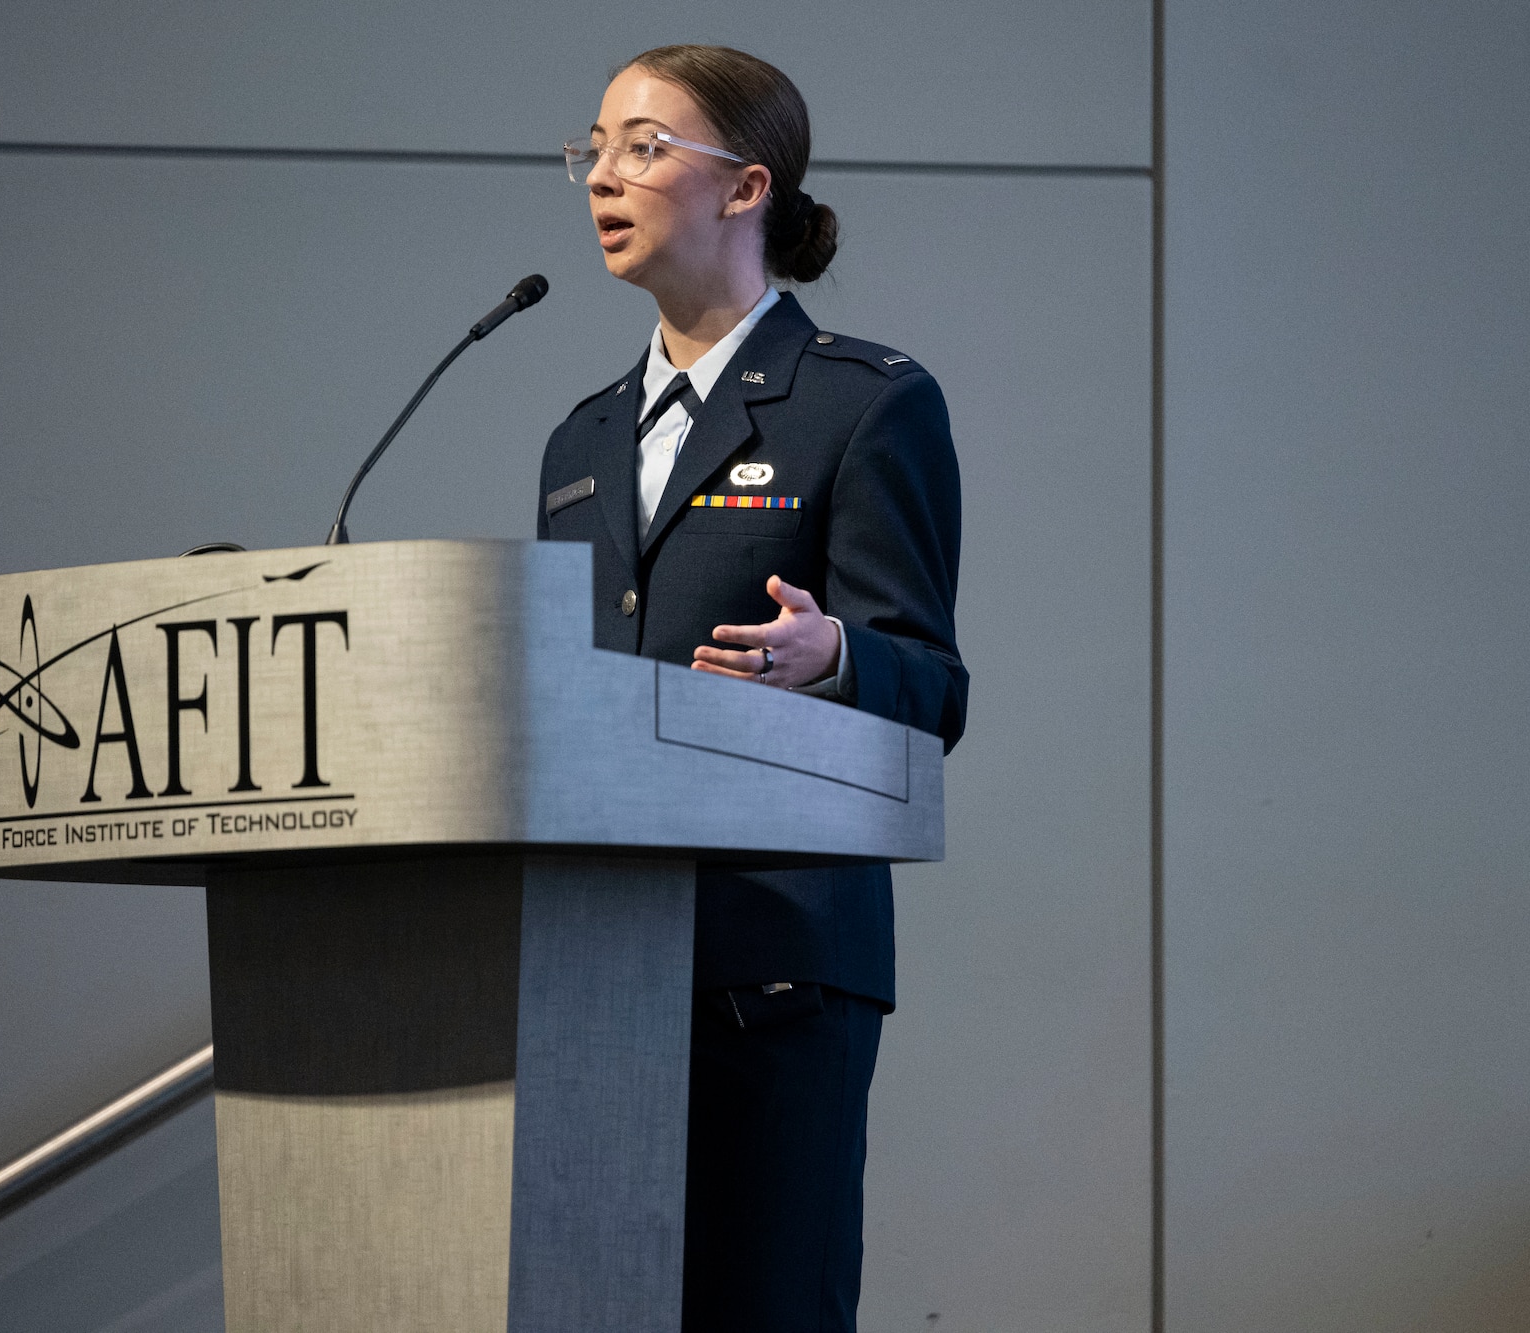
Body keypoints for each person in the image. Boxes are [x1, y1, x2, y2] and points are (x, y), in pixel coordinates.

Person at [537, 44, 970, 1332]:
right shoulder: (581, 440)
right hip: (597, 962)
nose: (606, 175)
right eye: (596, 148)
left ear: (746, 187)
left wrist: (832, 658)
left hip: (775, 963)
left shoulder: (863, 406)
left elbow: (934, 687)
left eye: (646, 145)